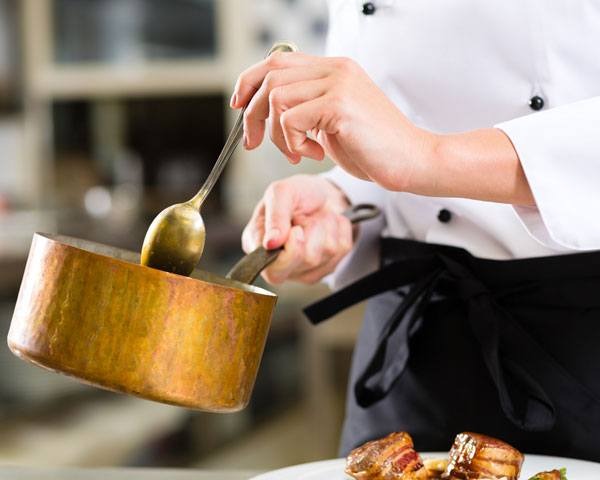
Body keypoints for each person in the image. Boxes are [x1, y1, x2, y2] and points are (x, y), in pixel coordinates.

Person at [231, 1, 600, 461]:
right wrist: (344, 201)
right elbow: (392, 129)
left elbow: (411, 151)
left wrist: (428, 158)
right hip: (411, 350)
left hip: (578, 346)